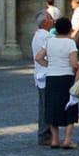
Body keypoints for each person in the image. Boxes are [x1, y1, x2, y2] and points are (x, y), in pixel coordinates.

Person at [34, 16, 79, 149]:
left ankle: (54, 139)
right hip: (66, 77)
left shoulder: (49, 42)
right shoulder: (70, 43)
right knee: (69, 106)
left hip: (52, 77)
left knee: (53, 106)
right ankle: (67, 140)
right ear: (69, 29)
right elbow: (74, 63)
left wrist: (50, 65)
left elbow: (38, 57)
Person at [31, 10, 55, 146]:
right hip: (47, 75)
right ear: (45, 22)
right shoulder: (47, 37)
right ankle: (45, 134)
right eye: (51, 18)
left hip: (40, 75)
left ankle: (45, 133)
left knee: (43, 105)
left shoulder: (37, 35)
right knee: (48, 106)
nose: (53, 20)